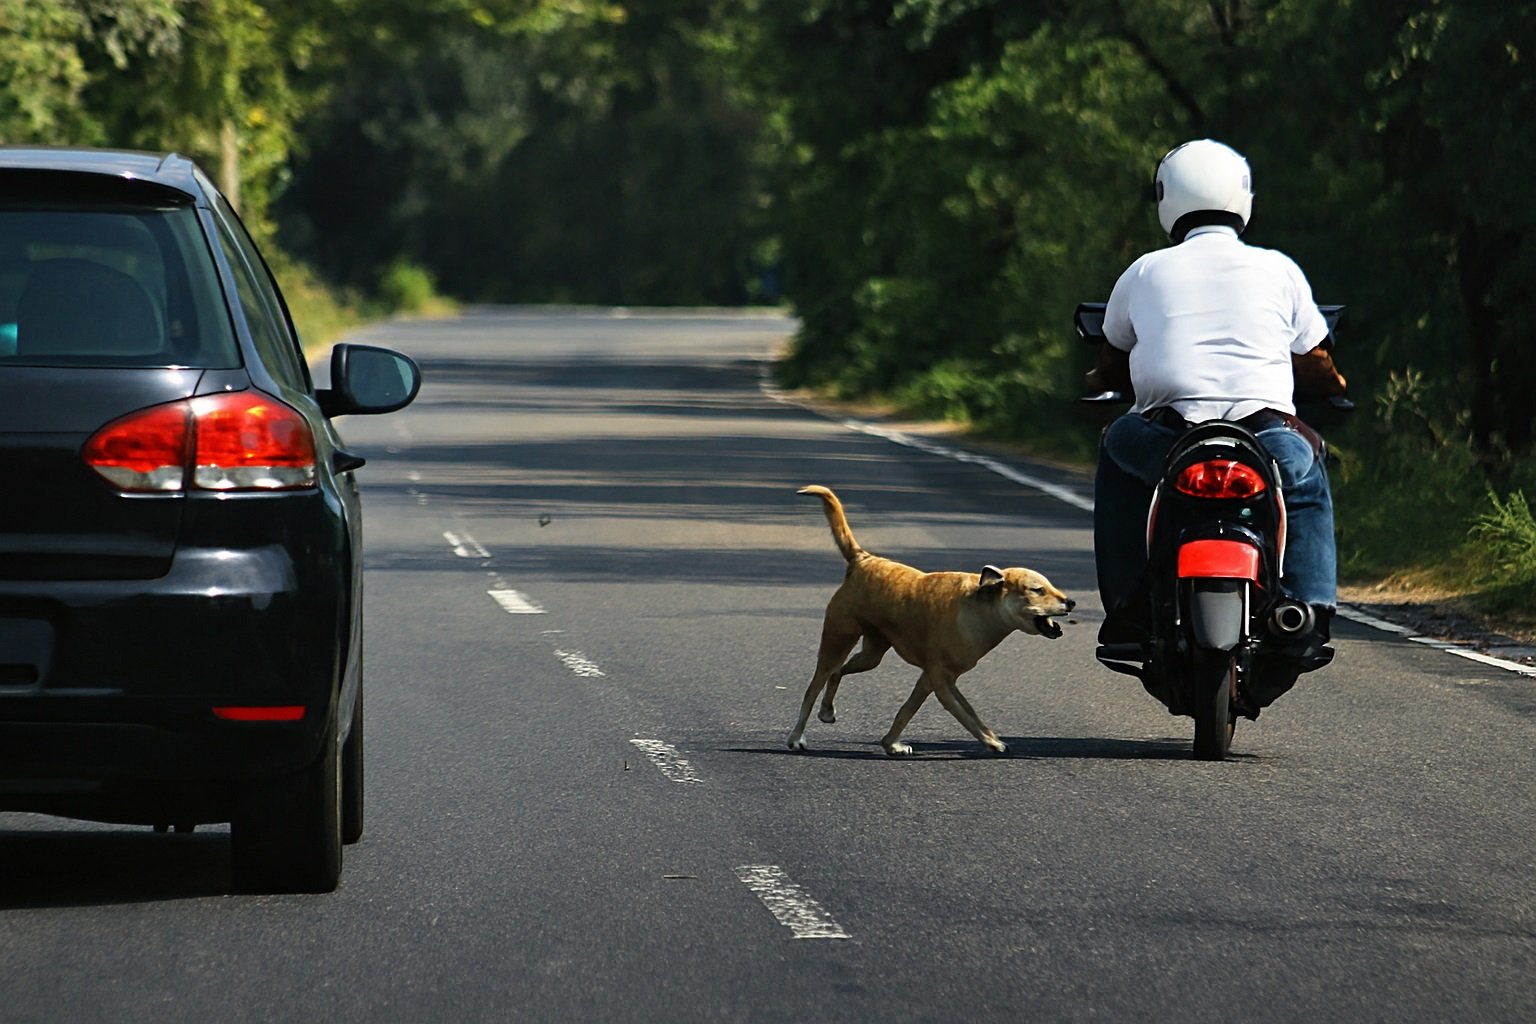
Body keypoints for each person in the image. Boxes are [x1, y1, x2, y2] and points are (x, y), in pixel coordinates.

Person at [1087, 139, 1347, 671]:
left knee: (1116, 447)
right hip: (1266, 434)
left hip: (1170, 435)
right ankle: (1313, 606)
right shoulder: (1279, 269)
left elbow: (1113, 358)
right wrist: (1334, 384)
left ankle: (1128, 605)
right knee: (1305, 475)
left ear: (1166, 198)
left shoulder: (1144, 270)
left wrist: (1100, 378)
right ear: (1244, 197)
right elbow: (1316, 360)